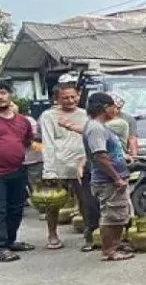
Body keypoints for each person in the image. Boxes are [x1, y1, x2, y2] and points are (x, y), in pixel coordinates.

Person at [81, 92, 133, 262]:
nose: (115, 110)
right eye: (113, 107)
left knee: (117, 215)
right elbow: (100, 156)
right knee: (111, 216)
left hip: (110, 178)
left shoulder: (99, 127)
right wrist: (116, 177)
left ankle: (114, 246)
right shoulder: (96, 128)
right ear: (105, 108)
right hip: (107, 181)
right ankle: (109, 250)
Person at [38, 83, 89, 250]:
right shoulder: (48, 116)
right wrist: (49, 170)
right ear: (57, 99)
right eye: (65, 98)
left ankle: (90, 235)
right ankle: (52, 235)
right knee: (53, 203)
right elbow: (48, 143)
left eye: (73, 96)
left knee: (86, 201)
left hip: (81, 164)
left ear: (78, 96)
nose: (70, 100)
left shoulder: (85, 114)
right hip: (58, 165)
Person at [0, 79, 34, 262]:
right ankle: (1, 246)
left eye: (3, 92)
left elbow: (27, 142)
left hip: (18, 171)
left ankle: (11, 240)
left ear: (10, 95)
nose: (0, 96)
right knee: (1, 210)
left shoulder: (23, 121)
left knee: (16, 208)